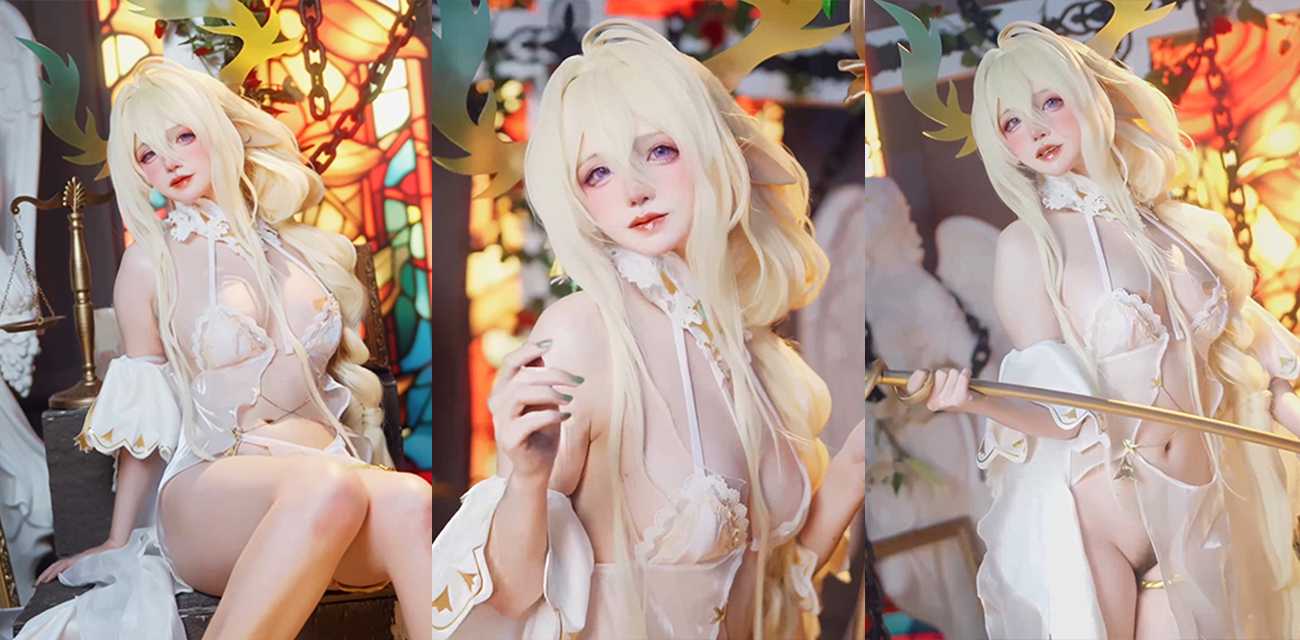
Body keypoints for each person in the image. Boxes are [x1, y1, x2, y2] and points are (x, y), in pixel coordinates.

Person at [432, 20, 868, 639]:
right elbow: (510, 595)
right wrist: (525, 476)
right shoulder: (582, 333)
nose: (634, 191)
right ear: (579, 200)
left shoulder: (748, 345)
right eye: (598, 173)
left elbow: (770, 588)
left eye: (659, 151)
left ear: (708, 148)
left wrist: (860, 460)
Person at [899, 21, 1300, 639]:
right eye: (1011, 122)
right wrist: (972, 401)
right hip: (1104, 516)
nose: (1035, 130)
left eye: (1049, 102)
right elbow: (1061, 413)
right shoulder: (1029, 248)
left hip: (1202, 499)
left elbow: (1262, 363)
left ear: (1089, 97)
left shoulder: (1184, 229)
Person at [16, 58, 432, 640]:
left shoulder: (304, 249)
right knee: (328, 486)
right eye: (147, 155)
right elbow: (147, 417)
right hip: (211, 494)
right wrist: (116, 538)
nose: (169, 162)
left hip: (327, 479)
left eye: (183, 136)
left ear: (219, 129)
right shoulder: (150, 262)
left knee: (410, 497)